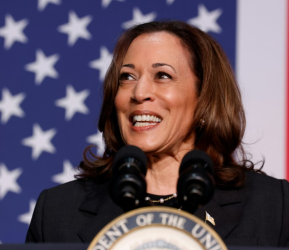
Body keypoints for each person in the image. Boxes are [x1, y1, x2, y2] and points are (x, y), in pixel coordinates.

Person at [25, 21, 289, 247]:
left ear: (204, 99)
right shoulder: (58, 211)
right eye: (127, 77)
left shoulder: (273, 208)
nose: (139, 93)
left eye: (162, 75)